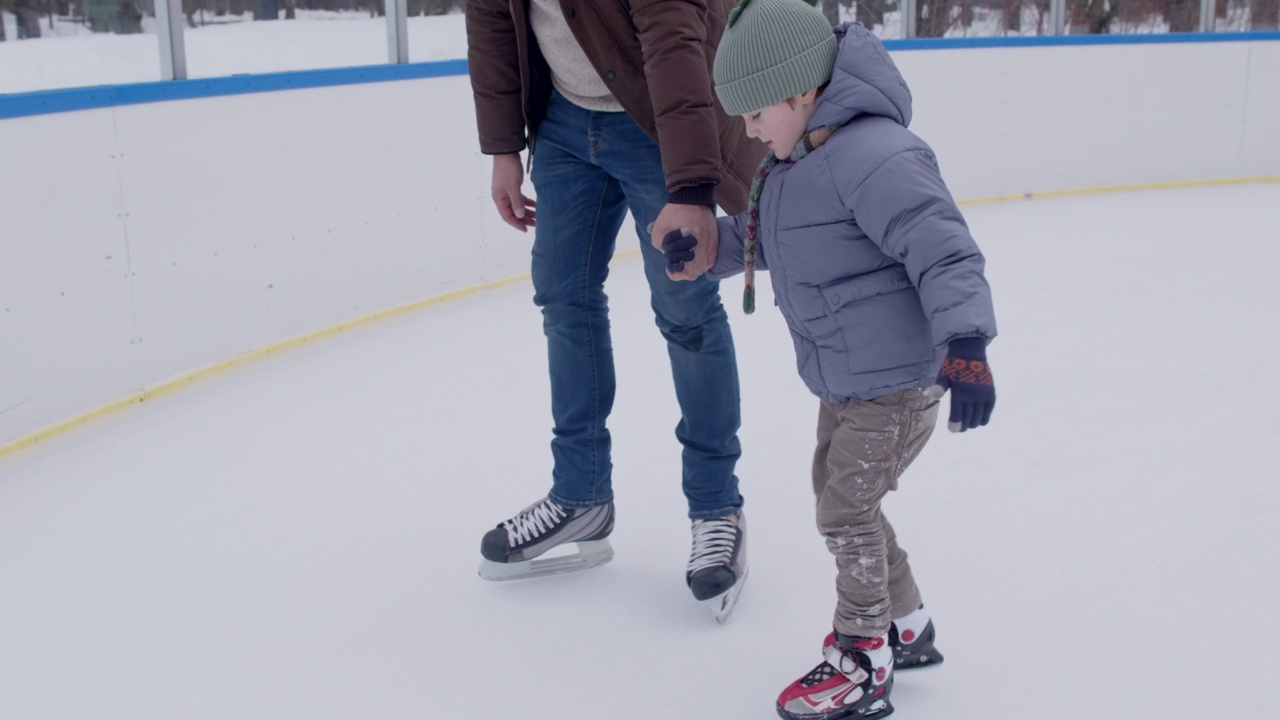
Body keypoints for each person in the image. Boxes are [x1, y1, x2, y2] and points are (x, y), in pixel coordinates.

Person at [661, 0, 998, 715]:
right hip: (847, 379)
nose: (749, 133)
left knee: (846, 511)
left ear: (800, 91)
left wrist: (966, 344)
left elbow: (943, 248)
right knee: (845, 500)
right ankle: (905, 624)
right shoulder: (798, 162)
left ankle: (861, 656)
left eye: (755, 116)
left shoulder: (876, 156)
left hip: (896, 385)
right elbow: (767, 235)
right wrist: (714, 247)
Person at [464, 0, 767, 617]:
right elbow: (493, 22)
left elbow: (675, 41)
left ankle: (716, 506)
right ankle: (581, 497)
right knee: (563, 300)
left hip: (659, 122)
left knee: (685, 312)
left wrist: (688, 187)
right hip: (563, 123)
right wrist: (502, 147)